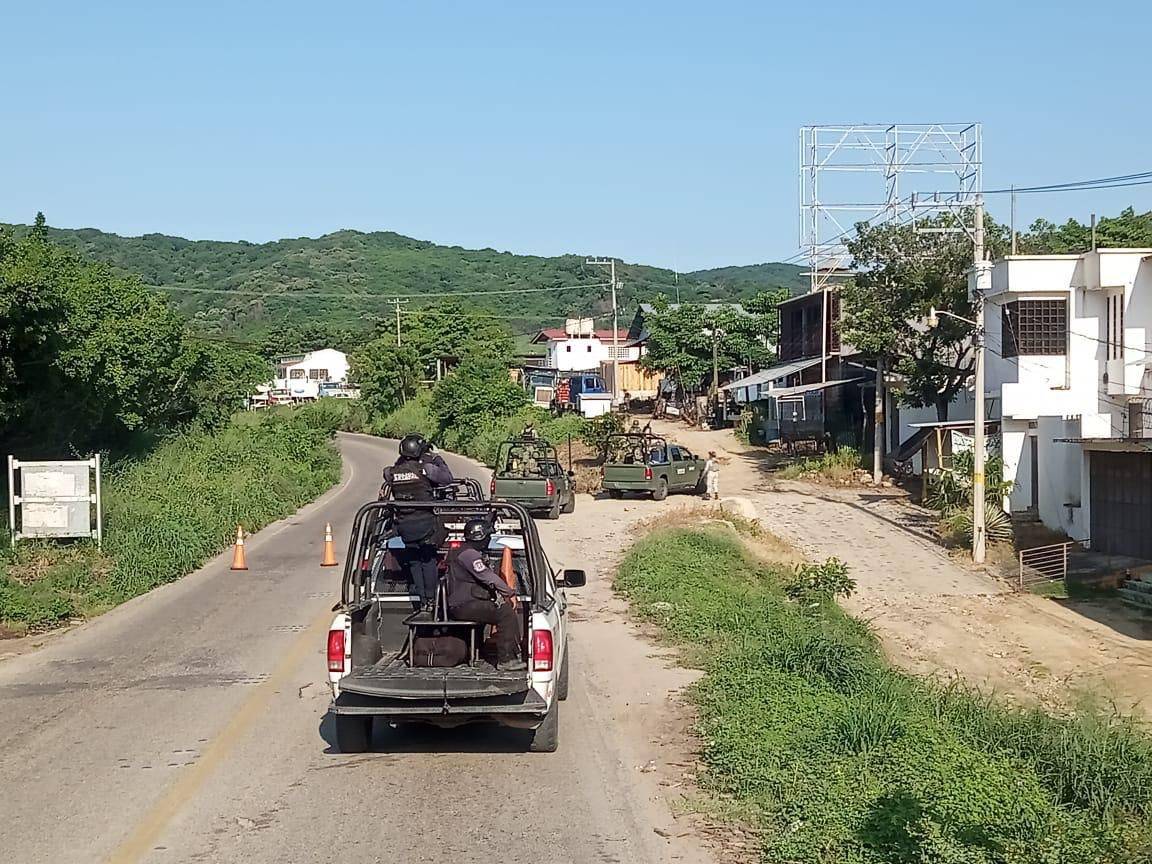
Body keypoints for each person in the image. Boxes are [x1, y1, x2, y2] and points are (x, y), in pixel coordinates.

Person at [383, 433, 455, 611]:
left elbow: (394, 471)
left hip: (404, 525)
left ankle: (422, 601)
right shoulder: (426, 469)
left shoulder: (391, 472)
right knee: (428, 560)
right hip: (426, 524)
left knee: (414, 561)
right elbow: (447, 478)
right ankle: (431, 600)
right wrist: (436, 458)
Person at [446, 518, 525, 670]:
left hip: (464, 603)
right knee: (505, 613)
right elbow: (488, 577)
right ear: (480, 537)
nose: (489, 540)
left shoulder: (463, 551)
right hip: (464, 605)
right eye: (487, 536)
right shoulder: (469, 555)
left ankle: (486, 651)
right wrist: (509, 593)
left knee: (497, 609)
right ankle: (507, 659)